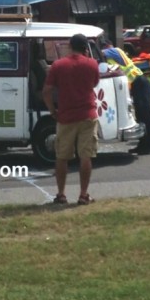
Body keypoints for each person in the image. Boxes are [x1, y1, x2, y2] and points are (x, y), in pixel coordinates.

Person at [42, 32, 100, 205]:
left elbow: (47, 91)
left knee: (62, 156)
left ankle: (61, 194)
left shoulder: (58, 65)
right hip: (88, 115)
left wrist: (53, 110)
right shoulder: (92, 64)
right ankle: (83, 194)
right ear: (85, 48)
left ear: (70, 46)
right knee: (86, 156)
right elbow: (95, 84)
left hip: (66, 116)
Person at [101, 40, 150, 155]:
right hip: (137, 83)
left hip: (139, 82)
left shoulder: (112, 51)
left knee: (145, 116)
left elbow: (102, 54)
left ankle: (149, 145)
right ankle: (143, 144)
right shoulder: (113, 53)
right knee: (141, 116)